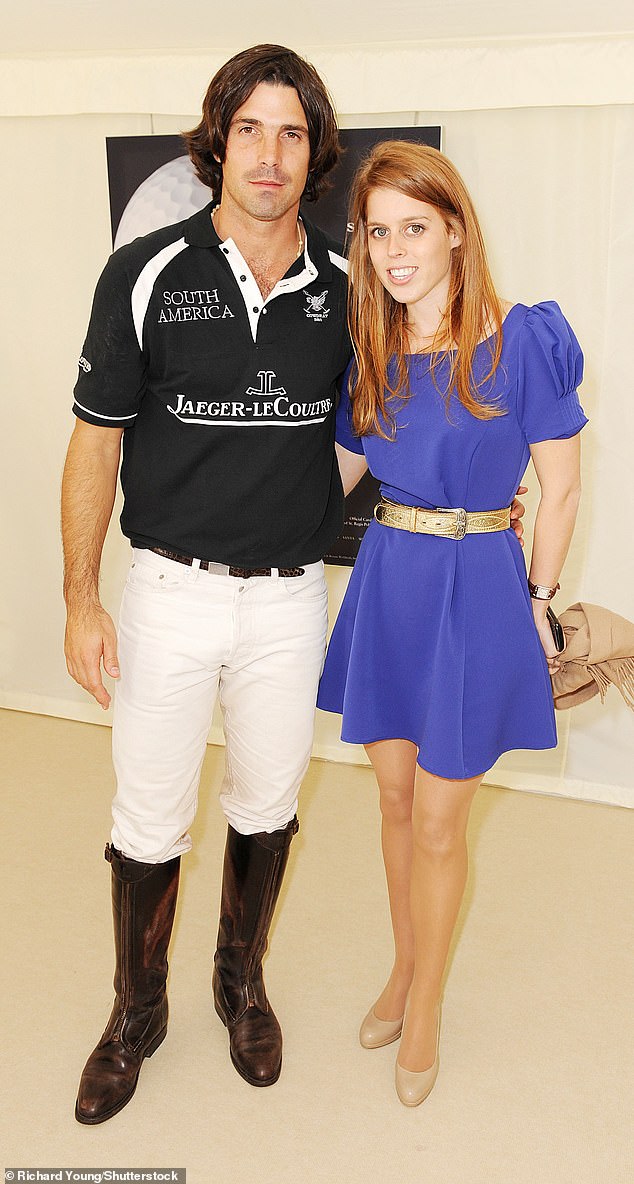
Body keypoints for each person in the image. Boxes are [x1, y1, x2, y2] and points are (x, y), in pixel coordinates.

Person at [62, 45, 525, 1124]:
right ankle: (135, 1013)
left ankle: (240, 982)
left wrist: (489, 498)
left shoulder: (347, 286)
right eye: (250, 129)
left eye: (293, 132)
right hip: (167, 592)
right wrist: (82, 599)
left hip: (285, 600)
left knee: (268, 804)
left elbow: (415, 391)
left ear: (315, 153)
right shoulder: (143, 272)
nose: (270, 154)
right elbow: (92, 443)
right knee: (148, 815)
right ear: (217, 139)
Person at [317, 140, 586, 1107]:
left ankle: (425, 1001)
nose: (393, 251)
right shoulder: (373, 350)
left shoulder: (524, 339)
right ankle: (403, 966)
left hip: (477, 587)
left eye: (413, 229)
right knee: (391, 804)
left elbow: (558, 491)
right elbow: (331, 481)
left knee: (438, 822)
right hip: (389, 581)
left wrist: (540, 606)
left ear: (456, 230)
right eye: (377, 232)